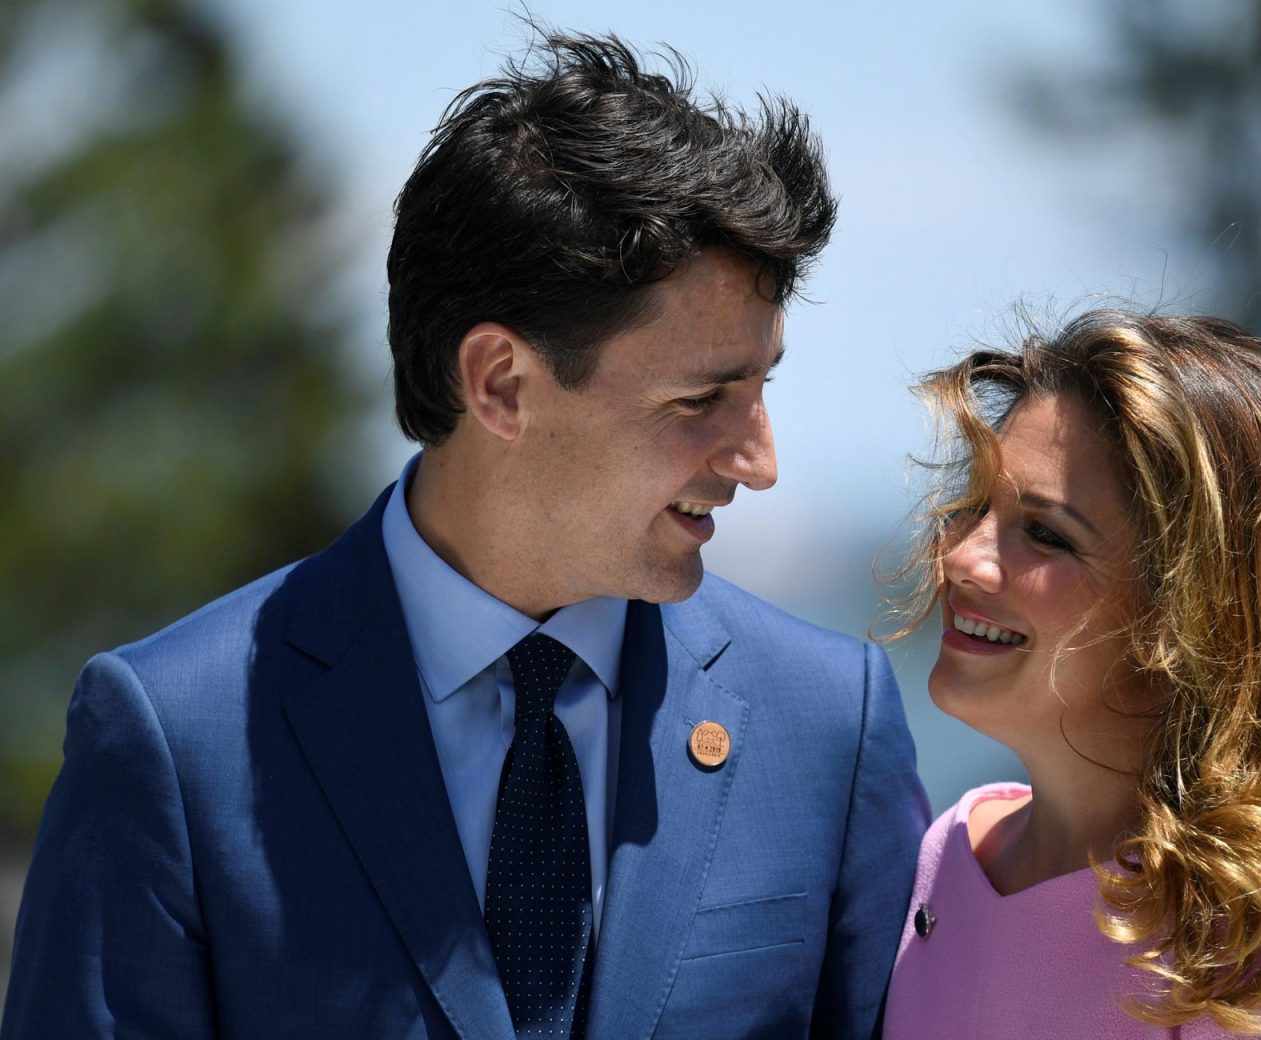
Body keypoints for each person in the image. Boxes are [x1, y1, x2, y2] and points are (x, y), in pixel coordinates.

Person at [1, 32, 928, 1039]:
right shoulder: (173, 741)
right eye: (703, 397)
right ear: (499, 383)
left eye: (762, 386)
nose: (760, 459)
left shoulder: (831, 725)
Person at [881, 310, 1261, 1038]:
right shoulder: (948, 854)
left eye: (1044, 534)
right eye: (976, 506)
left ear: (1198, 612)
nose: (960, 557)